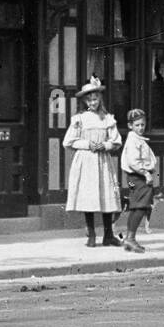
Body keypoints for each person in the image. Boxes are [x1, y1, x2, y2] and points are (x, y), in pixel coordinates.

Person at [64, 75, 123, 247]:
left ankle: (108, 234)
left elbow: (116, 140)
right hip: (86, 161)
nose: (92, 102)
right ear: (85, 101)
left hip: (103, 160)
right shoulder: (79, 119)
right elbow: (68, 141)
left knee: (106, 196)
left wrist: (104, 145)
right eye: (89, 100)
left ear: (100, 98)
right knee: (88, 196)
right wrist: (88, 144)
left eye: (95, 98)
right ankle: (91, 234)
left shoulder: (107, 118)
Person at [120, 109, 157, 253]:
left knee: (137, 206)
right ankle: (130, 238)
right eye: (137, 125)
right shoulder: (133, 141)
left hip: (136, 177)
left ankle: (130, 238)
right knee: (141, 206)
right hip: (138, 177)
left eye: (142, 124)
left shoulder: (138, 139)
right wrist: (145, 173)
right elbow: (133, 162)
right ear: (130, 126)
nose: (140, 128)